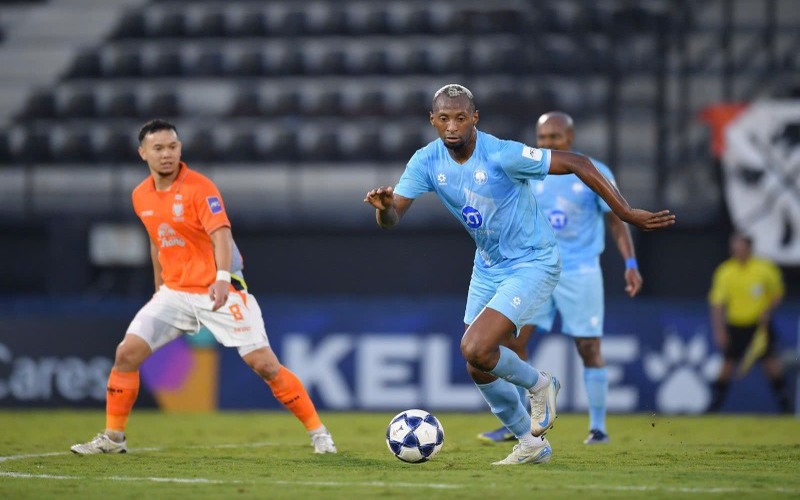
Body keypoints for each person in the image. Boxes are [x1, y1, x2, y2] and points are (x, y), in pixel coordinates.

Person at [364, 84, 675, 465]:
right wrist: (384, 209)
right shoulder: (426, 161)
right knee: (478, 363)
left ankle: (541, 384)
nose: (452, 126)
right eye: (444, 118)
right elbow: (392, 218)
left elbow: (578, 163)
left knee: (475, 347)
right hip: (488, 265)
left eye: (460, 117)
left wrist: (625, 213)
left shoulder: (502, 154)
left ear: (475, 118)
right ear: (432, 120)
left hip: (532, 261)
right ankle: (531, 444)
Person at [71, 119, 337, 454]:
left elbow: (221, 235)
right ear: (143, 153)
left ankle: (319, 433)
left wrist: (222, 278)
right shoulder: (140, 195)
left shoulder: (200, 188)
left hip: (217, 289)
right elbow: (156, 240)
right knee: (126, 354)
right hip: (175, 293)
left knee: (265, 365)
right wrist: (159, 285)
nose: (167, 154)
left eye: (172, 146)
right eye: (158, 148)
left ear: (180, 148)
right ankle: (113, 438)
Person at [478, 111, 641, 446]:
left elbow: (615, 221)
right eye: (543, 138)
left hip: (579, 271)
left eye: (555, 137)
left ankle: (598, 428)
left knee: (588, 346)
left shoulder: (593, 171)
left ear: (570, 138)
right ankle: (518, 424)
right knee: (514, 342)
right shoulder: (530, 171)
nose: (548, 143)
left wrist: (630, 262)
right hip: (535, 269)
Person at [707, 232, 791, 413]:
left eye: (741, 247)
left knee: (771, 365)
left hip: (759, 326)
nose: (737, 251)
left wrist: (768, 310)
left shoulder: (764, 268)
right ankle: (713, 407)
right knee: (727, 367)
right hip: (736, 325)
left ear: (749, 248)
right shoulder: (725, 271)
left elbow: (777, 293)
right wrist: (719, 330)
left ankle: (786, 407)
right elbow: (717, 304)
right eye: (734, 248)